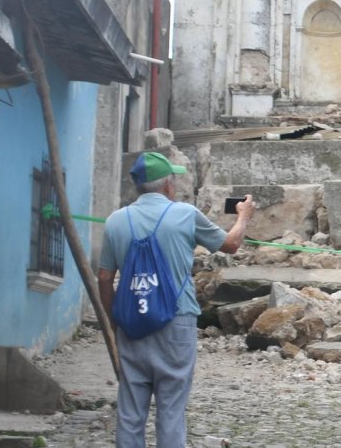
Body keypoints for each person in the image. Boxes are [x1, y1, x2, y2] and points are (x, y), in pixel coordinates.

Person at [97, 152, 253, 448]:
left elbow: (104, 278)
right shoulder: (184, 214)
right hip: (176, 321)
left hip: (131, 322)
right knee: (171, 410)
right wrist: (244, 215)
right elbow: (231, 244)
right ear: (168, 185)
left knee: (130, 412)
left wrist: (116, 319)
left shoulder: (115, 221)